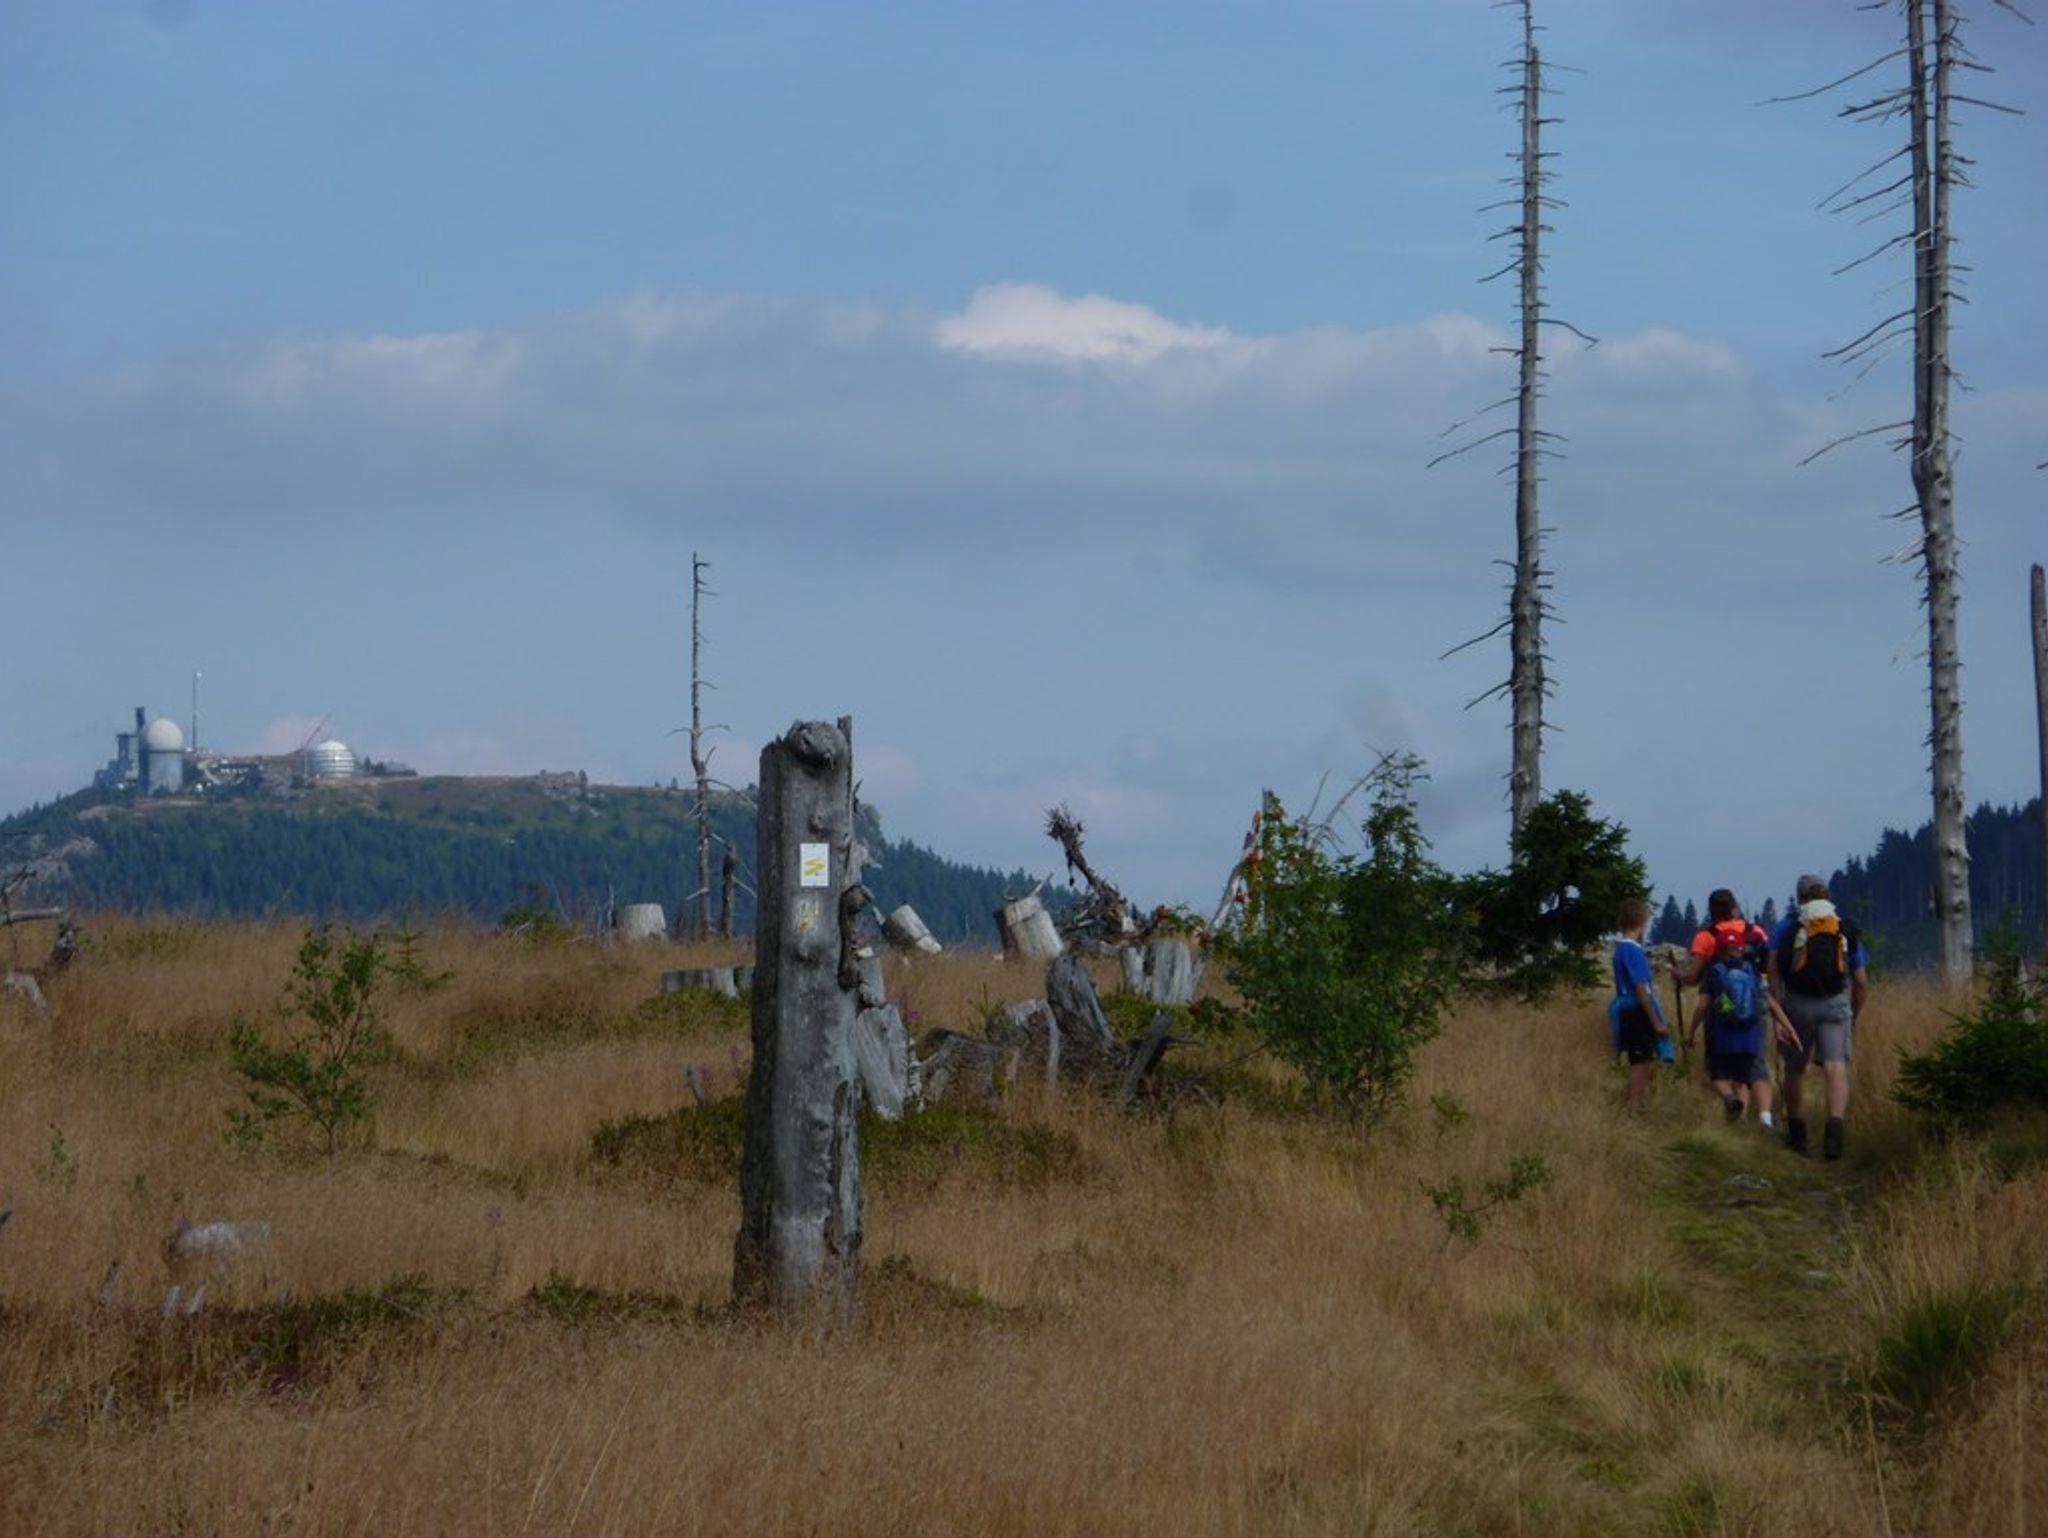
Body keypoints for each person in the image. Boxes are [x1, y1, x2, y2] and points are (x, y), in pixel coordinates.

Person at [1770, 873, 1870, 1159]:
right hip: (1835, 1002)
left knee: (1794, 1068)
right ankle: (1834, 1137)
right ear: (1827, 895)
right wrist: (1854, 1013)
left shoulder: (1788, 926)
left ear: (1799, 897)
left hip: (1797, 1004)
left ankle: (1798, 1136)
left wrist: (1778, 1011)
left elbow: (1773, 969)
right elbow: (1861, 980)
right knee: (1835, 1068)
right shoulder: (1841, 926)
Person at [1678, 890, 1794, 1128]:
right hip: (1754, 1008)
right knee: (1754, 1066)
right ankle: (1763, 1119)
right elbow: (1769, 964)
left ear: (1711, 910)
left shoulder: (1706, 937)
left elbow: (1692, 977)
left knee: (1718, 1067)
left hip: (1719, 1012)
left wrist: (1677, 975)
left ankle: (1735, 1115)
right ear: (1734, 907)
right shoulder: (1756, 932)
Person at [1611, 898, 1671, 1112]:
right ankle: (1633, 1106)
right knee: (1640, 1061)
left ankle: (1635, 1103)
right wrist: (1655, 1021)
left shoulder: (1621, 949)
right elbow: (1640, 987)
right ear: (1641, 922)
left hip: (1628, 1008)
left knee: (1643, 1058)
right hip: (1636, 1009)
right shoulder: (1632, 950)